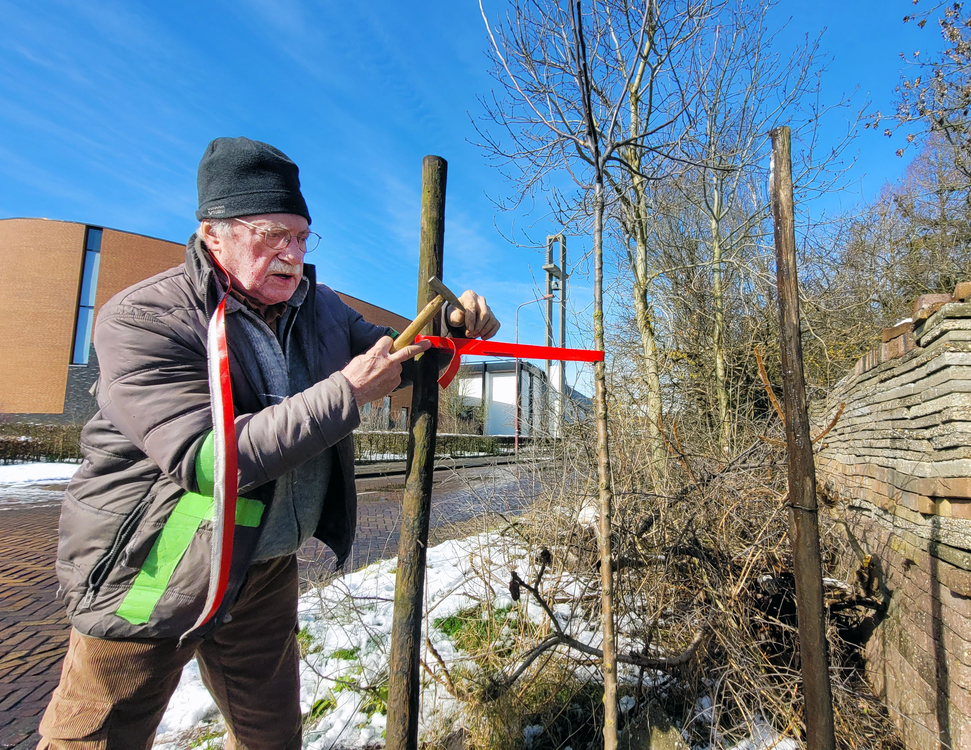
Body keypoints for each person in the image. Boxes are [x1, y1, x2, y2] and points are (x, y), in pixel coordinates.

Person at [38, 136, 499, 750]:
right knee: (99, 737)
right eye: (271, 235)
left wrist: (451, 328)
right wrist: (345, 394)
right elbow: (207, 460)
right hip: (159, 559)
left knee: (272, 738)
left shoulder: (322, 310)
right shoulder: (144, 319)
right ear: (214, 233)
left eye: (302, 237)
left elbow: (402, 357)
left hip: (263, 565)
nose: (291, 253)